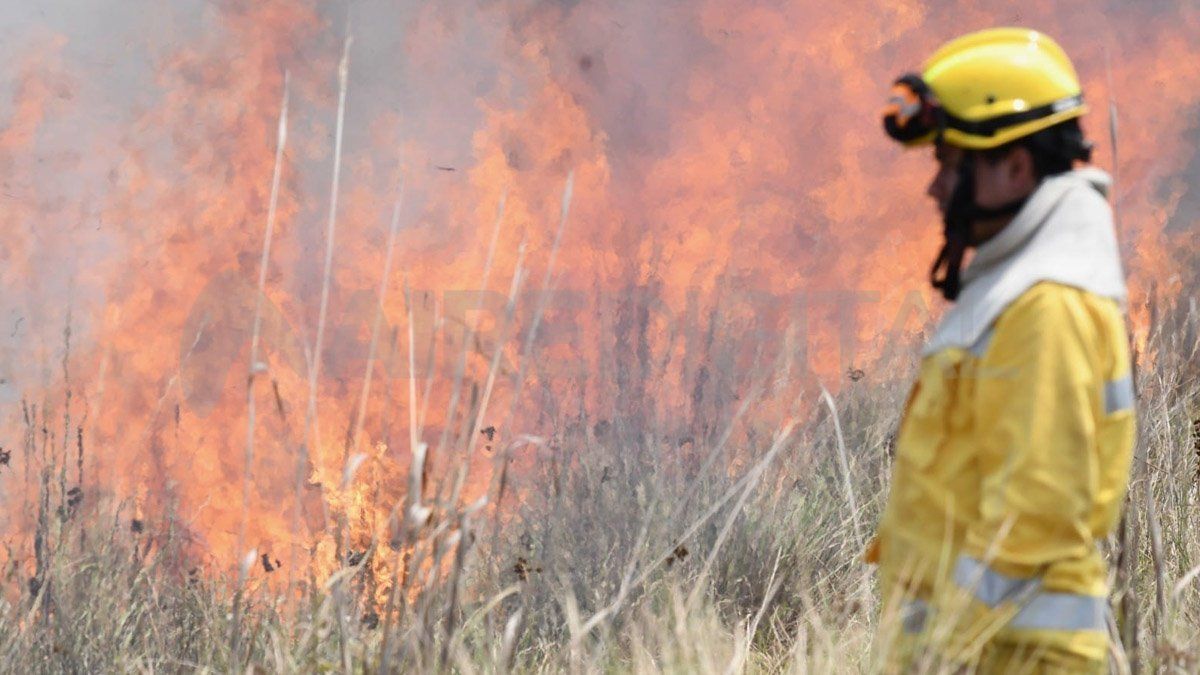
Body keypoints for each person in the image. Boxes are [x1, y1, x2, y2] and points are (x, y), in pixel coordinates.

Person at [865, 27, 1137, 673]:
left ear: (1015, 166)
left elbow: (1034, 516)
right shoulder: (1018, 291)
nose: (935, 188)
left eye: (950, 163)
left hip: (1010, 656)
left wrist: (943, 647)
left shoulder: (1047, 306)